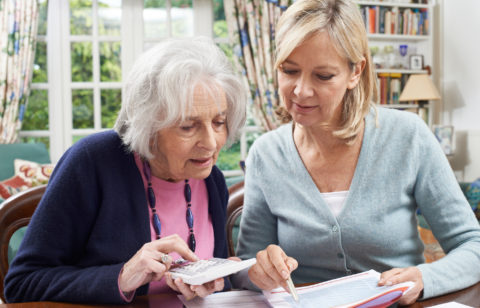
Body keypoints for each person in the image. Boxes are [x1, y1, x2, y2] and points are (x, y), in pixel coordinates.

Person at [231, 0, 480, 305]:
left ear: (355, 71)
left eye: (323, 76)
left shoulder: (407, 136)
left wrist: (425, 279)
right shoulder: (265, 155)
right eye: (289, 70)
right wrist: (259, 270)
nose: (301, 91)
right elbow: (245, 267)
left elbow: (473, 246)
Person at [4, 37, 246, 304]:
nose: (211, 143)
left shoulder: (211, 179)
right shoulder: (91, 162)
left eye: (219, 122)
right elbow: (22, 283)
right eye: (188, 127)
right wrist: (123, 276)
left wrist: (213, 281)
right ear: (149, 127)